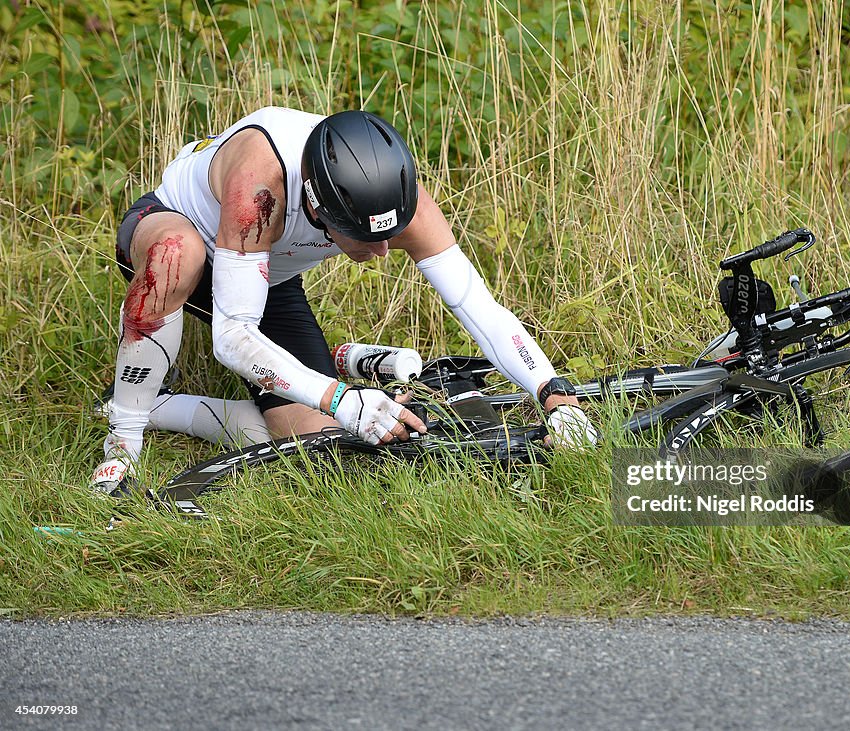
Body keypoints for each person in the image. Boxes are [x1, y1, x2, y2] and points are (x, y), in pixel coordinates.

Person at [91, 107, 598, 495]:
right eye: (362, 237)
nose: (382, 250)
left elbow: (478, 306)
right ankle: (123, 439)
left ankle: (159, 406)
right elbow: (230, 335)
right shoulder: (262, 184)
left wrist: (552, 393)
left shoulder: (399, 199)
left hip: (261, 274)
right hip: (175, 235)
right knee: (179, 254)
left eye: (391, 234)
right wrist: (341, 395)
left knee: (320, 444)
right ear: (315, 204)